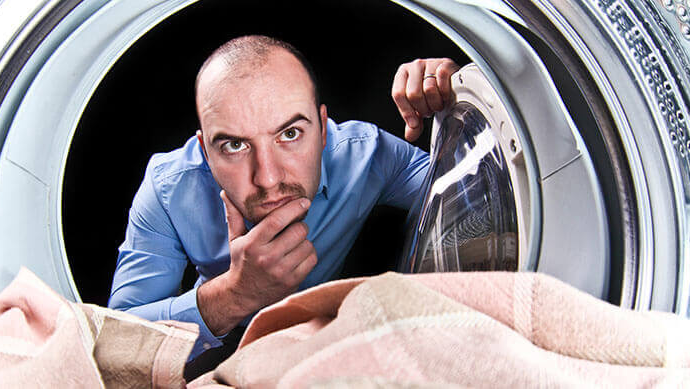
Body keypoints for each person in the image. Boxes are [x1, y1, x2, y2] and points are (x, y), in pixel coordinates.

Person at [107, 35, 459, 367]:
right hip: (219, 357)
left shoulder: (367, 155)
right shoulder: (168, 188)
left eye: (290, 134)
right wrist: (234, 295)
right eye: (234, 145)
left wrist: (454, 100)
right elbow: (118, 344)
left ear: (322, 129)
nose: (268, 178)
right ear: (204, 150)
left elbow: (475, 192)